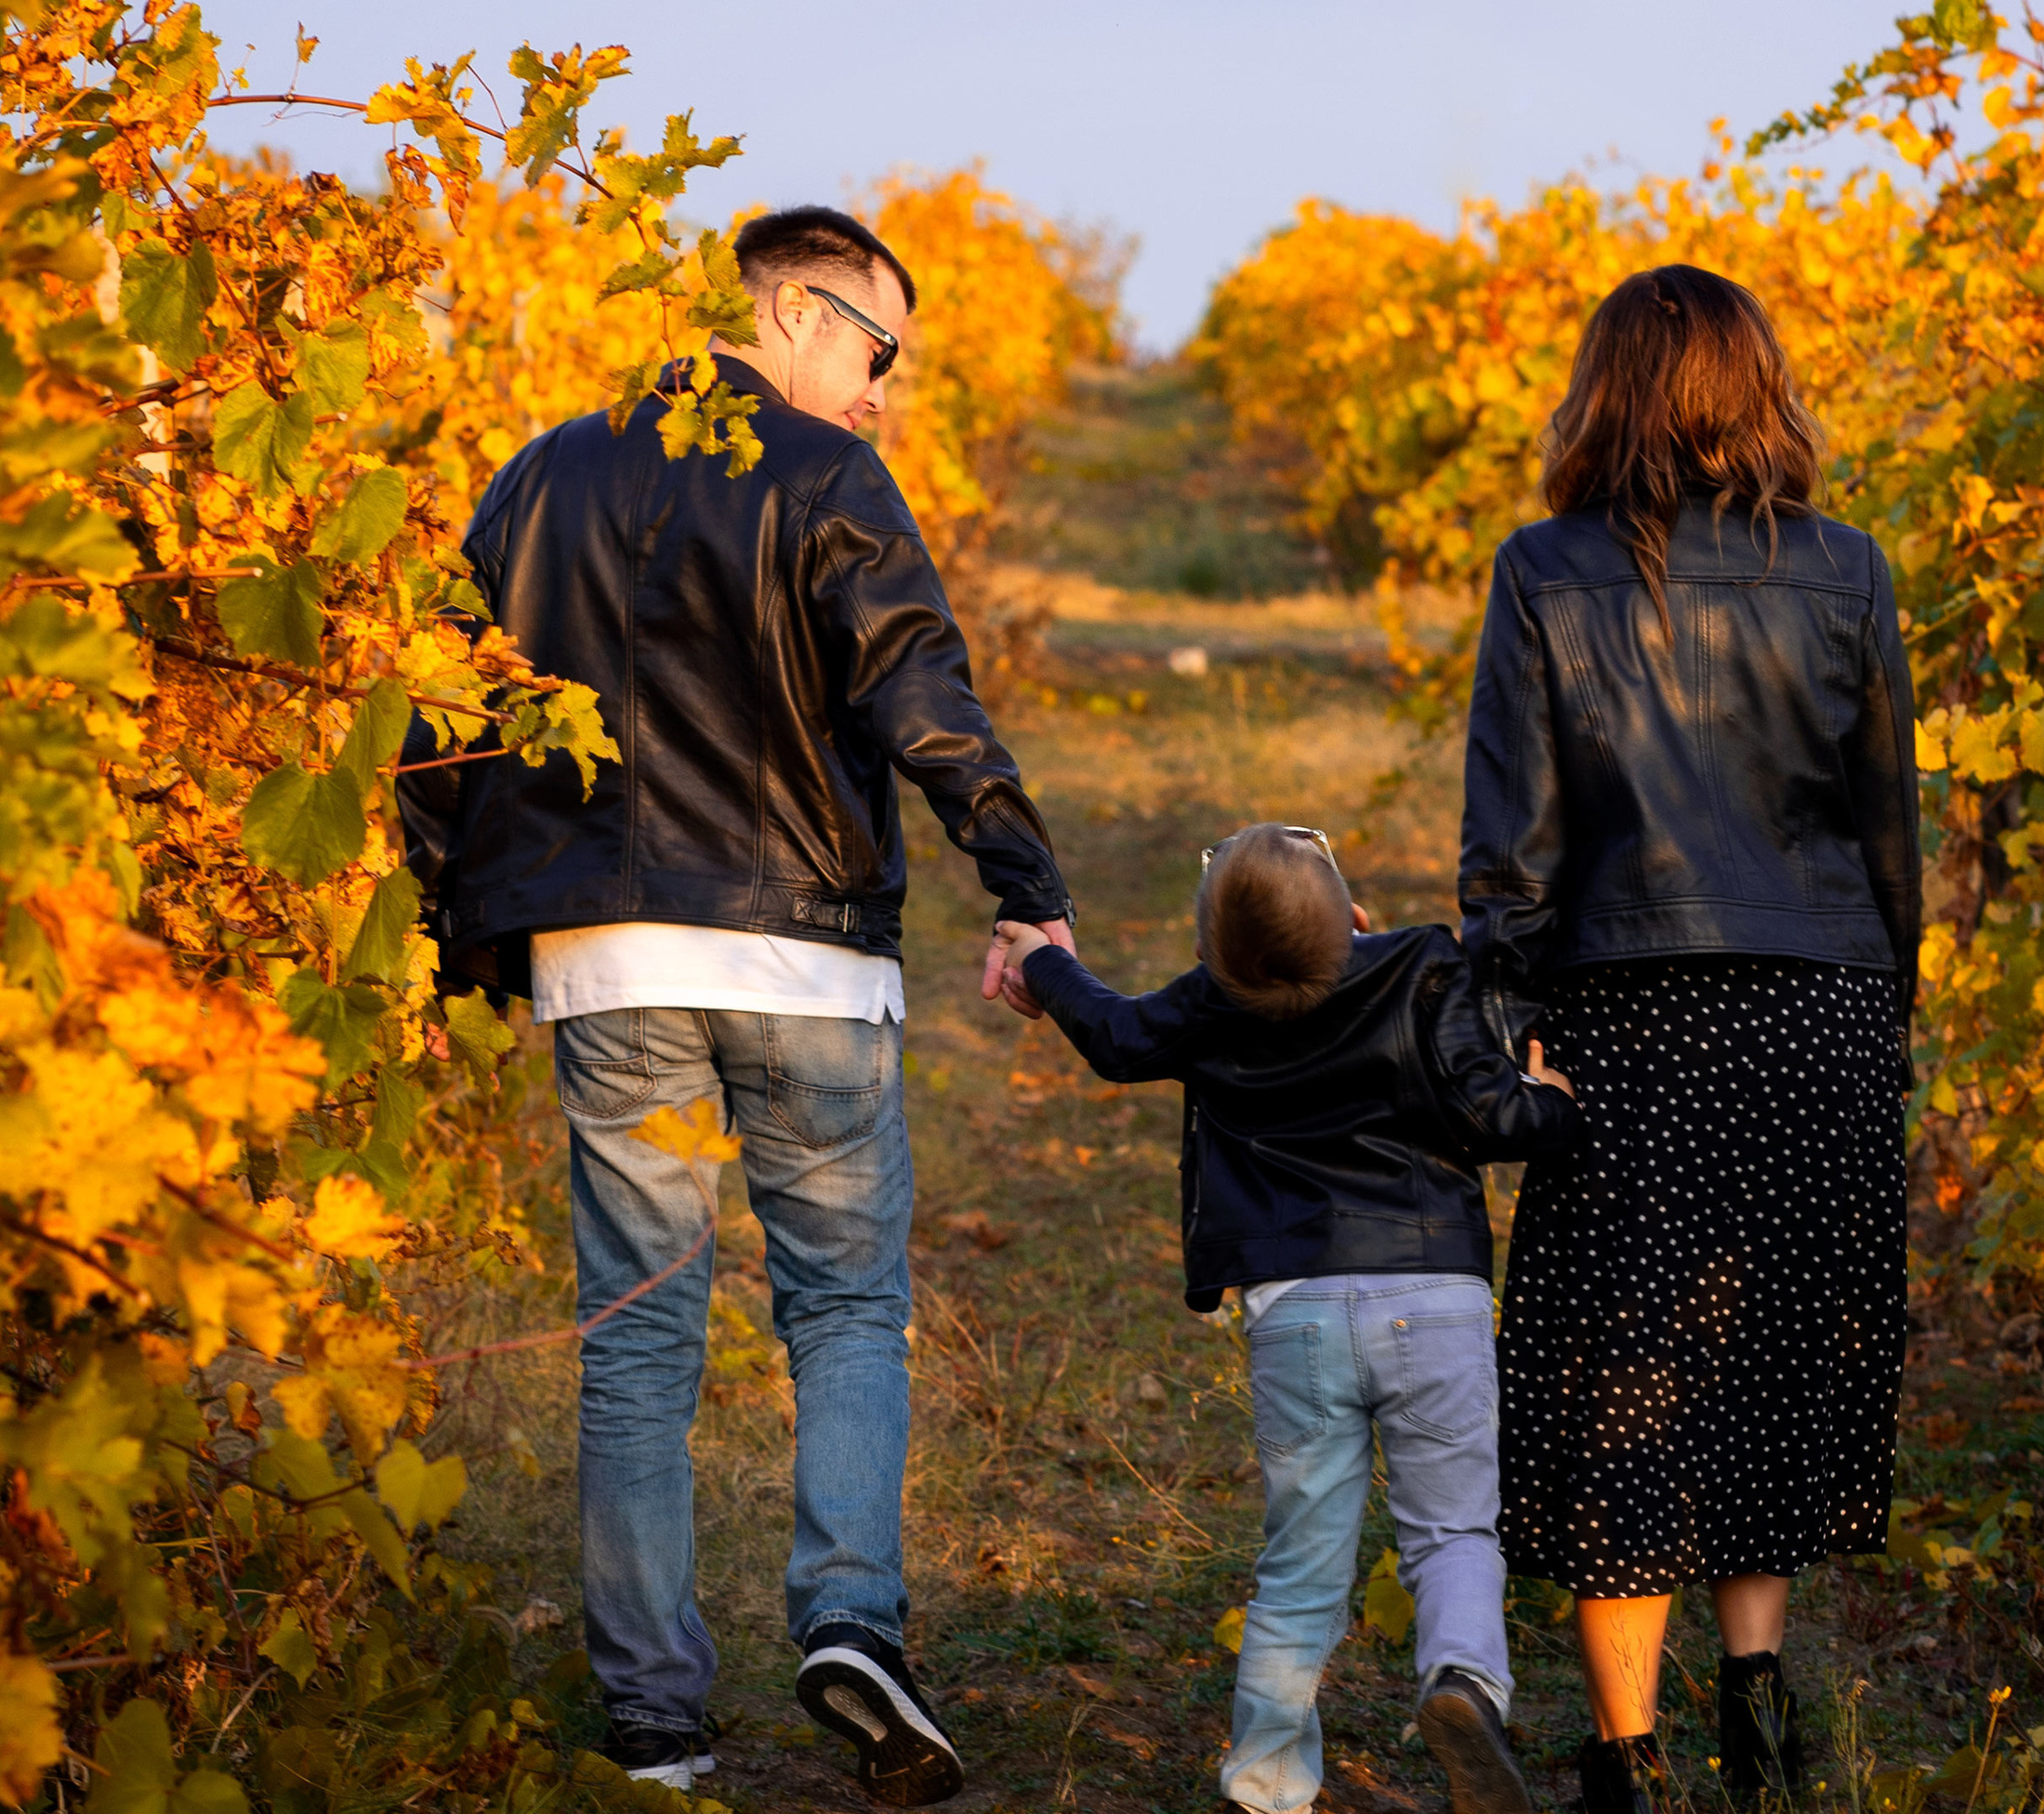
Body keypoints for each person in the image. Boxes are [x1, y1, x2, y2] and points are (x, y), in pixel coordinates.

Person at [402, 204, 1077, 1805]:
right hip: (804, 957)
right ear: (794, 311)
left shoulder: (542, 473)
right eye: (879, 353)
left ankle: (654, 1726)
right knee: (844, 1305)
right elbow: (921, 687)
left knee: (638, 1338)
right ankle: (851, 1628)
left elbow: (434, 708)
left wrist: (458, 936)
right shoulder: (827, 478)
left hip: (604, 957)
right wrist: (1023, 878)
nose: (882, 396)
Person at [1457, 264, 1920, 1812]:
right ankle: (1762, 1706)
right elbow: (1885, 833)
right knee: (1775, 1346)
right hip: (1820, 1007)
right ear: (1757, 387)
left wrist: (1506, 1023)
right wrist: (1885, 1016)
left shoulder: (1545, 571)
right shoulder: (1847, 571)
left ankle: (1628, 1759)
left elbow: (1511, 845)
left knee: (1622, 1377)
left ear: (1605, 394)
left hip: (1633, 1016)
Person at [995, 823, 1583, 1814]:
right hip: (1432, 1295)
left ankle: (1265, 1783)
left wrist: (1043, 958)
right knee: (1451, 1531)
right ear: (1353, 916)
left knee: (1302, 1561)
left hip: (1296, 1309)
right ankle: (1463, 1683)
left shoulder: (1206, 1003)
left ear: (1209, 950)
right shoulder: (1420, 967)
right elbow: (1497, 1115)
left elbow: (1114, 1032)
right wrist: (1555, 1101)